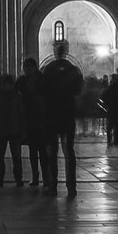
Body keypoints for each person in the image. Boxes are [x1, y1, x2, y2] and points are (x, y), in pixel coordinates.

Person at [40, 40, 84, 196]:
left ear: (54, 52)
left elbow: (42, 90)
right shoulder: (74, 70)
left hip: (52, 114)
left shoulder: (48, 69)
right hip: (67, 114)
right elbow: (78, 91)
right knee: (69, 151)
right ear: (66, 51)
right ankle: (71, 187)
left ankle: (53, 185)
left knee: (52, 151)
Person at [0, 73, 26, 187]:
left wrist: (23, 129)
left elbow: (22, 114)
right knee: (1, 157)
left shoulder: (15, 98)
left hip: (13, 130)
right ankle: (0, 179)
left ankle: (18, 178)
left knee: (16, 157)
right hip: (3, 131)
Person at [15, 58, 44, 188]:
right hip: (28, 119)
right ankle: (35, 176)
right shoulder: (21, 81)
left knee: (43, 151)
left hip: (41, 119)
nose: (26, 70)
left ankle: (46, 178)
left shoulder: (43, 79)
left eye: (28, 67)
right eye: (24, 67)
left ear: (34, 67)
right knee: (33, 151)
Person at [100, 74, 118, 145]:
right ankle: (115, 141)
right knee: (116, 126)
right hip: (117, 110)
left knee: (110, 125)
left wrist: (106, 106)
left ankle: (109, 140)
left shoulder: (109, 88)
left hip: (111, 110)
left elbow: (103, 97)